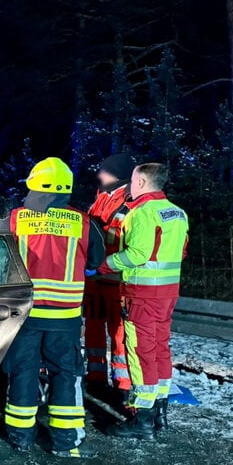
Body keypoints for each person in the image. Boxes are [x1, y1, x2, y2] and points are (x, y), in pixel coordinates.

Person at [0, 157, 105, 458]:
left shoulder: (14, 220)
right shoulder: (84, 223)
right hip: (65, 319)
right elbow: (95, 263)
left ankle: (21, 438)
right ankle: (65, 442)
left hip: (24, 316)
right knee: (66, 375)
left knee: (23, 372)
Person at [97, 163, 188, 439]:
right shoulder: (178, 212)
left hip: (142, 295)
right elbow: (181, 252)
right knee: (161, 349)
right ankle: (160, 412)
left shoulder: (142, 213)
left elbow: (136, 254)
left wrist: (104, 264)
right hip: (168, 293)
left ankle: (142, 420)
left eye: (133, 181)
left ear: (141, 183)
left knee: (141, 353)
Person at [83, 154, 135, 406]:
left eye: (104, 172)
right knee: (93, 329)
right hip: (95, 278)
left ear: (117, 175)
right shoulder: (101, 197)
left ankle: (122, 385)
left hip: (116, 279)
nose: (99, 176)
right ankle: (95, 377)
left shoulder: (130, 201)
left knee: (118, 334)